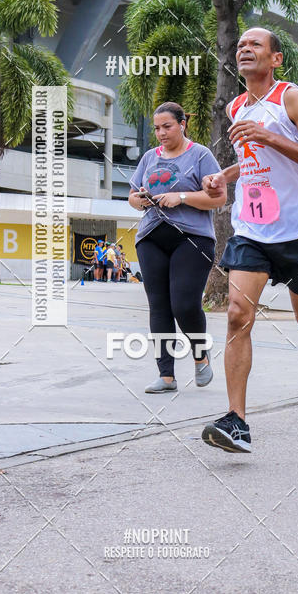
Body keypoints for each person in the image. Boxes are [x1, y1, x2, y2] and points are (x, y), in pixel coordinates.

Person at [200, 28, 298, 454]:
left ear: (276, 59)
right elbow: (250, 162)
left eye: (255, 45)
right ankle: (237, 422)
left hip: (297, 232)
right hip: (251, 230)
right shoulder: (236, 105)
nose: (245, 49)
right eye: (241, 45)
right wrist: (222, 177)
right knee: (236, 314)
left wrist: (270, 136)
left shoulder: (291, 99)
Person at [128, 102, 226, 393]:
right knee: (159, 306)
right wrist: (142, 200)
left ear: (183, 124)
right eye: (157, 128)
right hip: (151, 237)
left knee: (183, 304)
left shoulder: (201, 155)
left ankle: (200, 354)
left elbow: (218, 199)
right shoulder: (148, 158)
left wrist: (181, 197)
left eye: (167, 126)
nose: (161, 133)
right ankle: (166, 375)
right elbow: (133, 196)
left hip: (192, 237)